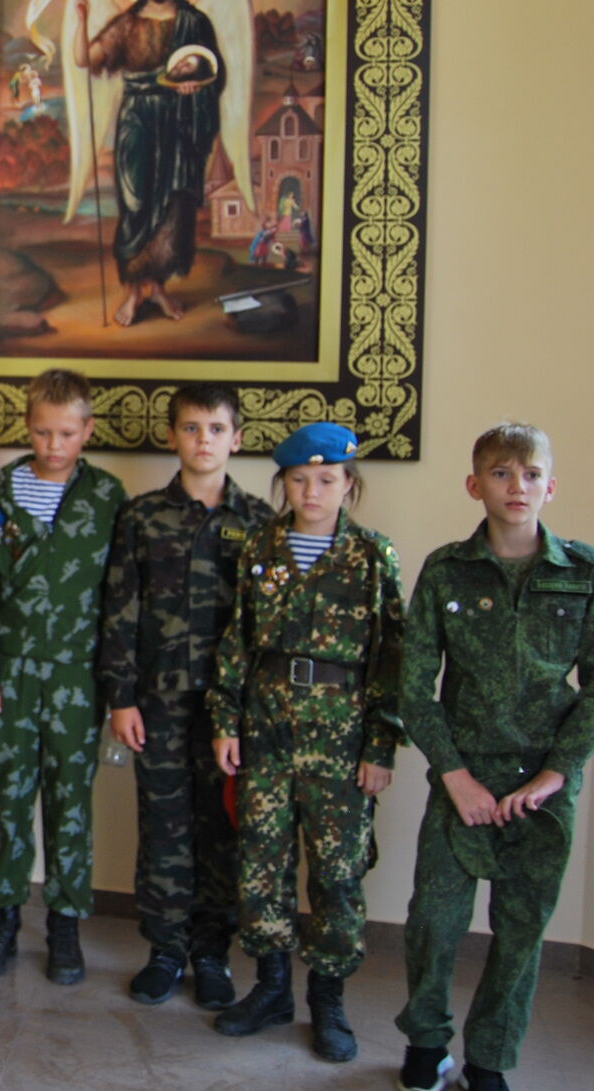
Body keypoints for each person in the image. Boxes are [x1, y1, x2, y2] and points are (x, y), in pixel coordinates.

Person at [395, 424, 592, 1091]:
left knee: (521, 929)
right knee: (434, 919)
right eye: (501, 473)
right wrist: (455, 776)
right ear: (474, 484)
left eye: (531, 474)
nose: (517, 486)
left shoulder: (582, 573)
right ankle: (426, 1043)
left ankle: (489, 1060)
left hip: (543, 786)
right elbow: (413, 687)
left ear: (550, 486)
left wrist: (555, 774)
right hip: (464, 778)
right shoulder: (446, 569)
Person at [209, 422, 403, 1064]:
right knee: (261, 864)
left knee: (337, 874)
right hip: (266, 728)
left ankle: (327, 1001)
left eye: (326, 479)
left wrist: (380, 745)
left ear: (349, 485)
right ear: (283, 484)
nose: (311, 491)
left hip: (340, 737)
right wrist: (225, 720)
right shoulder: (261, 546)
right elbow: (237, 639)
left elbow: (391, 656)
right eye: (298, 479)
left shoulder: (372, 556)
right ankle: (270, 989)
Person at [0, 367, 124, 983]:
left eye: (67, 434)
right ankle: (2, 920)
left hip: (78, 677)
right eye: (44, 432)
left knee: (72, 802)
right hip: (9, 673)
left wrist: (117, 684)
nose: (54, 445)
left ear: (87, 431)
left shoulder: (107, 498)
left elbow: (120, 597)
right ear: (28, 426)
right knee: (11, 800)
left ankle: (65, 926)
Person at [99, 383, 272, 1009]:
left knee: (223, 829)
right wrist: (121, 698)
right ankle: (166, 949)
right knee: (165, 827)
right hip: (160, 702)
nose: (204, 440)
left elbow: (267, 626)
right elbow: (120, 610)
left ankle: (211, 953)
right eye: (192, 428)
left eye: (216, 429)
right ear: (172, 436)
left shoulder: (260, 523)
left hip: (230, 710)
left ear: (237, 439)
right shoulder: (142, 517)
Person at [74, 0, 223, 326]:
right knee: (136, 202)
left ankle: (157, 288)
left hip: (178, 121)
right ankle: (133, 292)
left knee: (172, 205)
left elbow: (213, 73)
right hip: (138, 121)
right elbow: (84, 59)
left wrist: (194, 87)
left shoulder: (194, 22)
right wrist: (81, 19)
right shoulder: (126, 25)